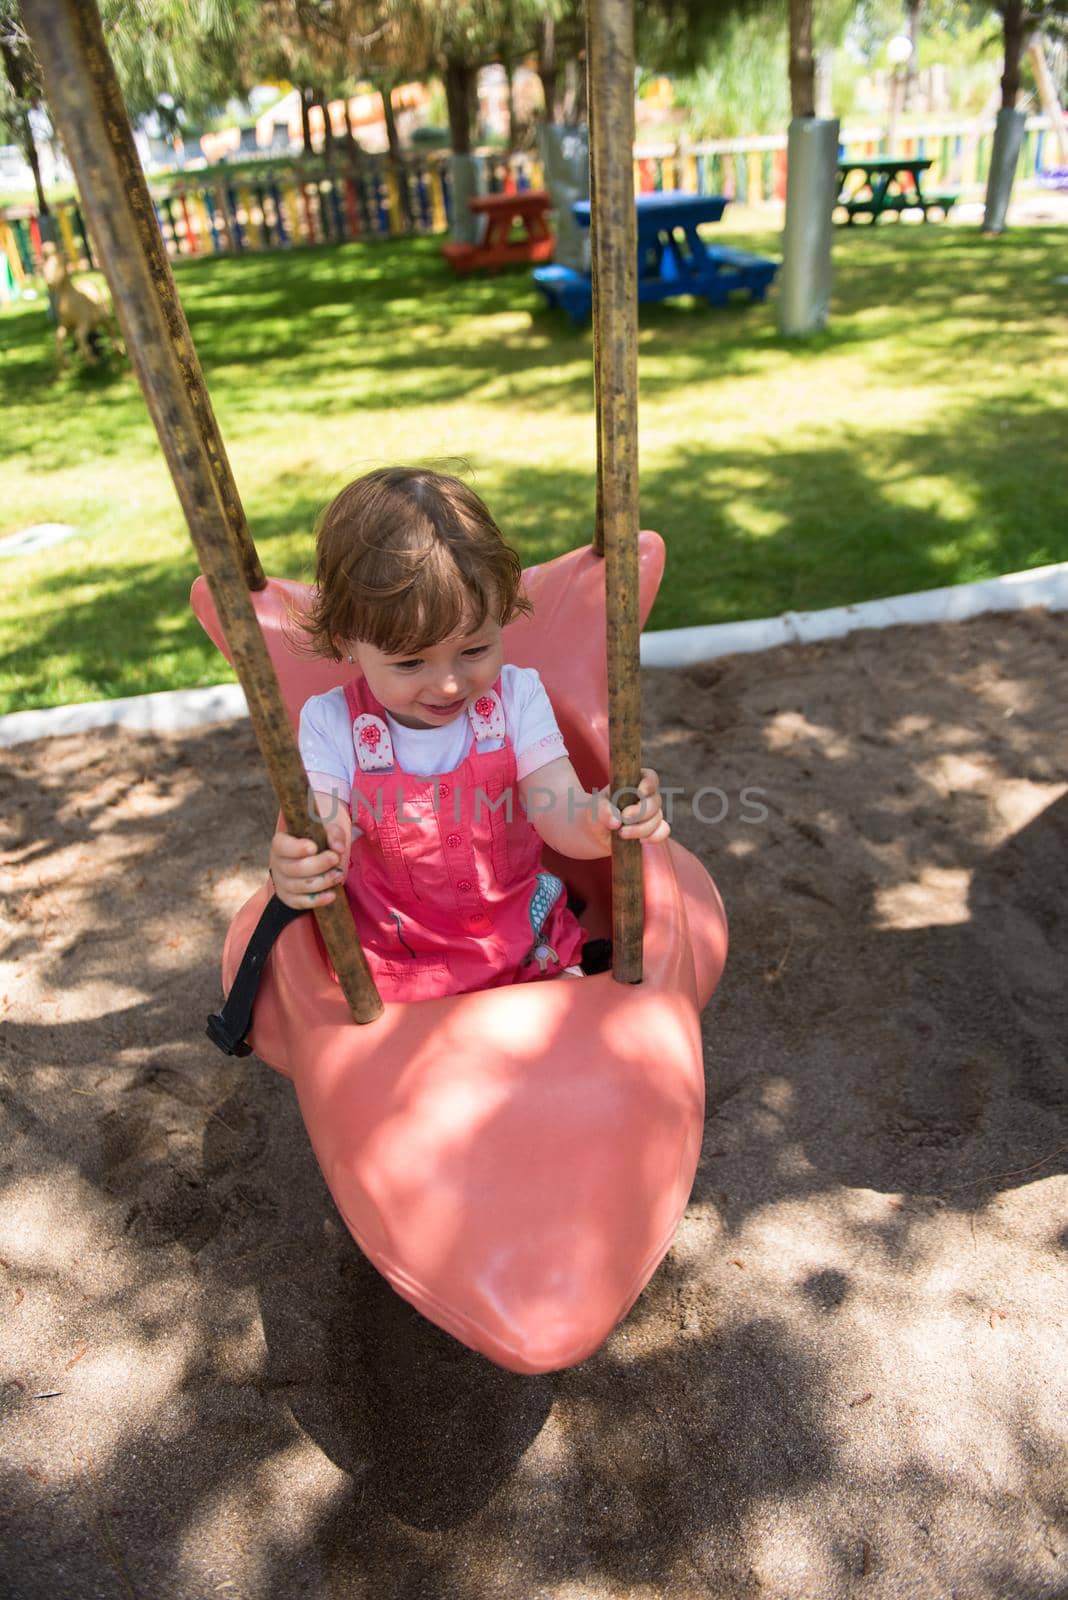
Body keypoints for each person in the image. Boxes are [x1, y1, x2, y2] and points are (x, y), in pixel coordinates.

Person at [269, 467, 670, 1002]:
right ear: (348, 641)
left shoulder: (516, 698)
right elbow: (323, 818)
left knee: (586, 1040)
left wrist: (601, 822)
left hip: (521, 942)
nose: (451, 683)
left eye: (475, 650)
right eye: (411, 663)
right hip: (398, 962)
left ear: (500, 615)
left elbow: (558, 811)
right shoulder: (332, 722)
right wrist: (309, 856)